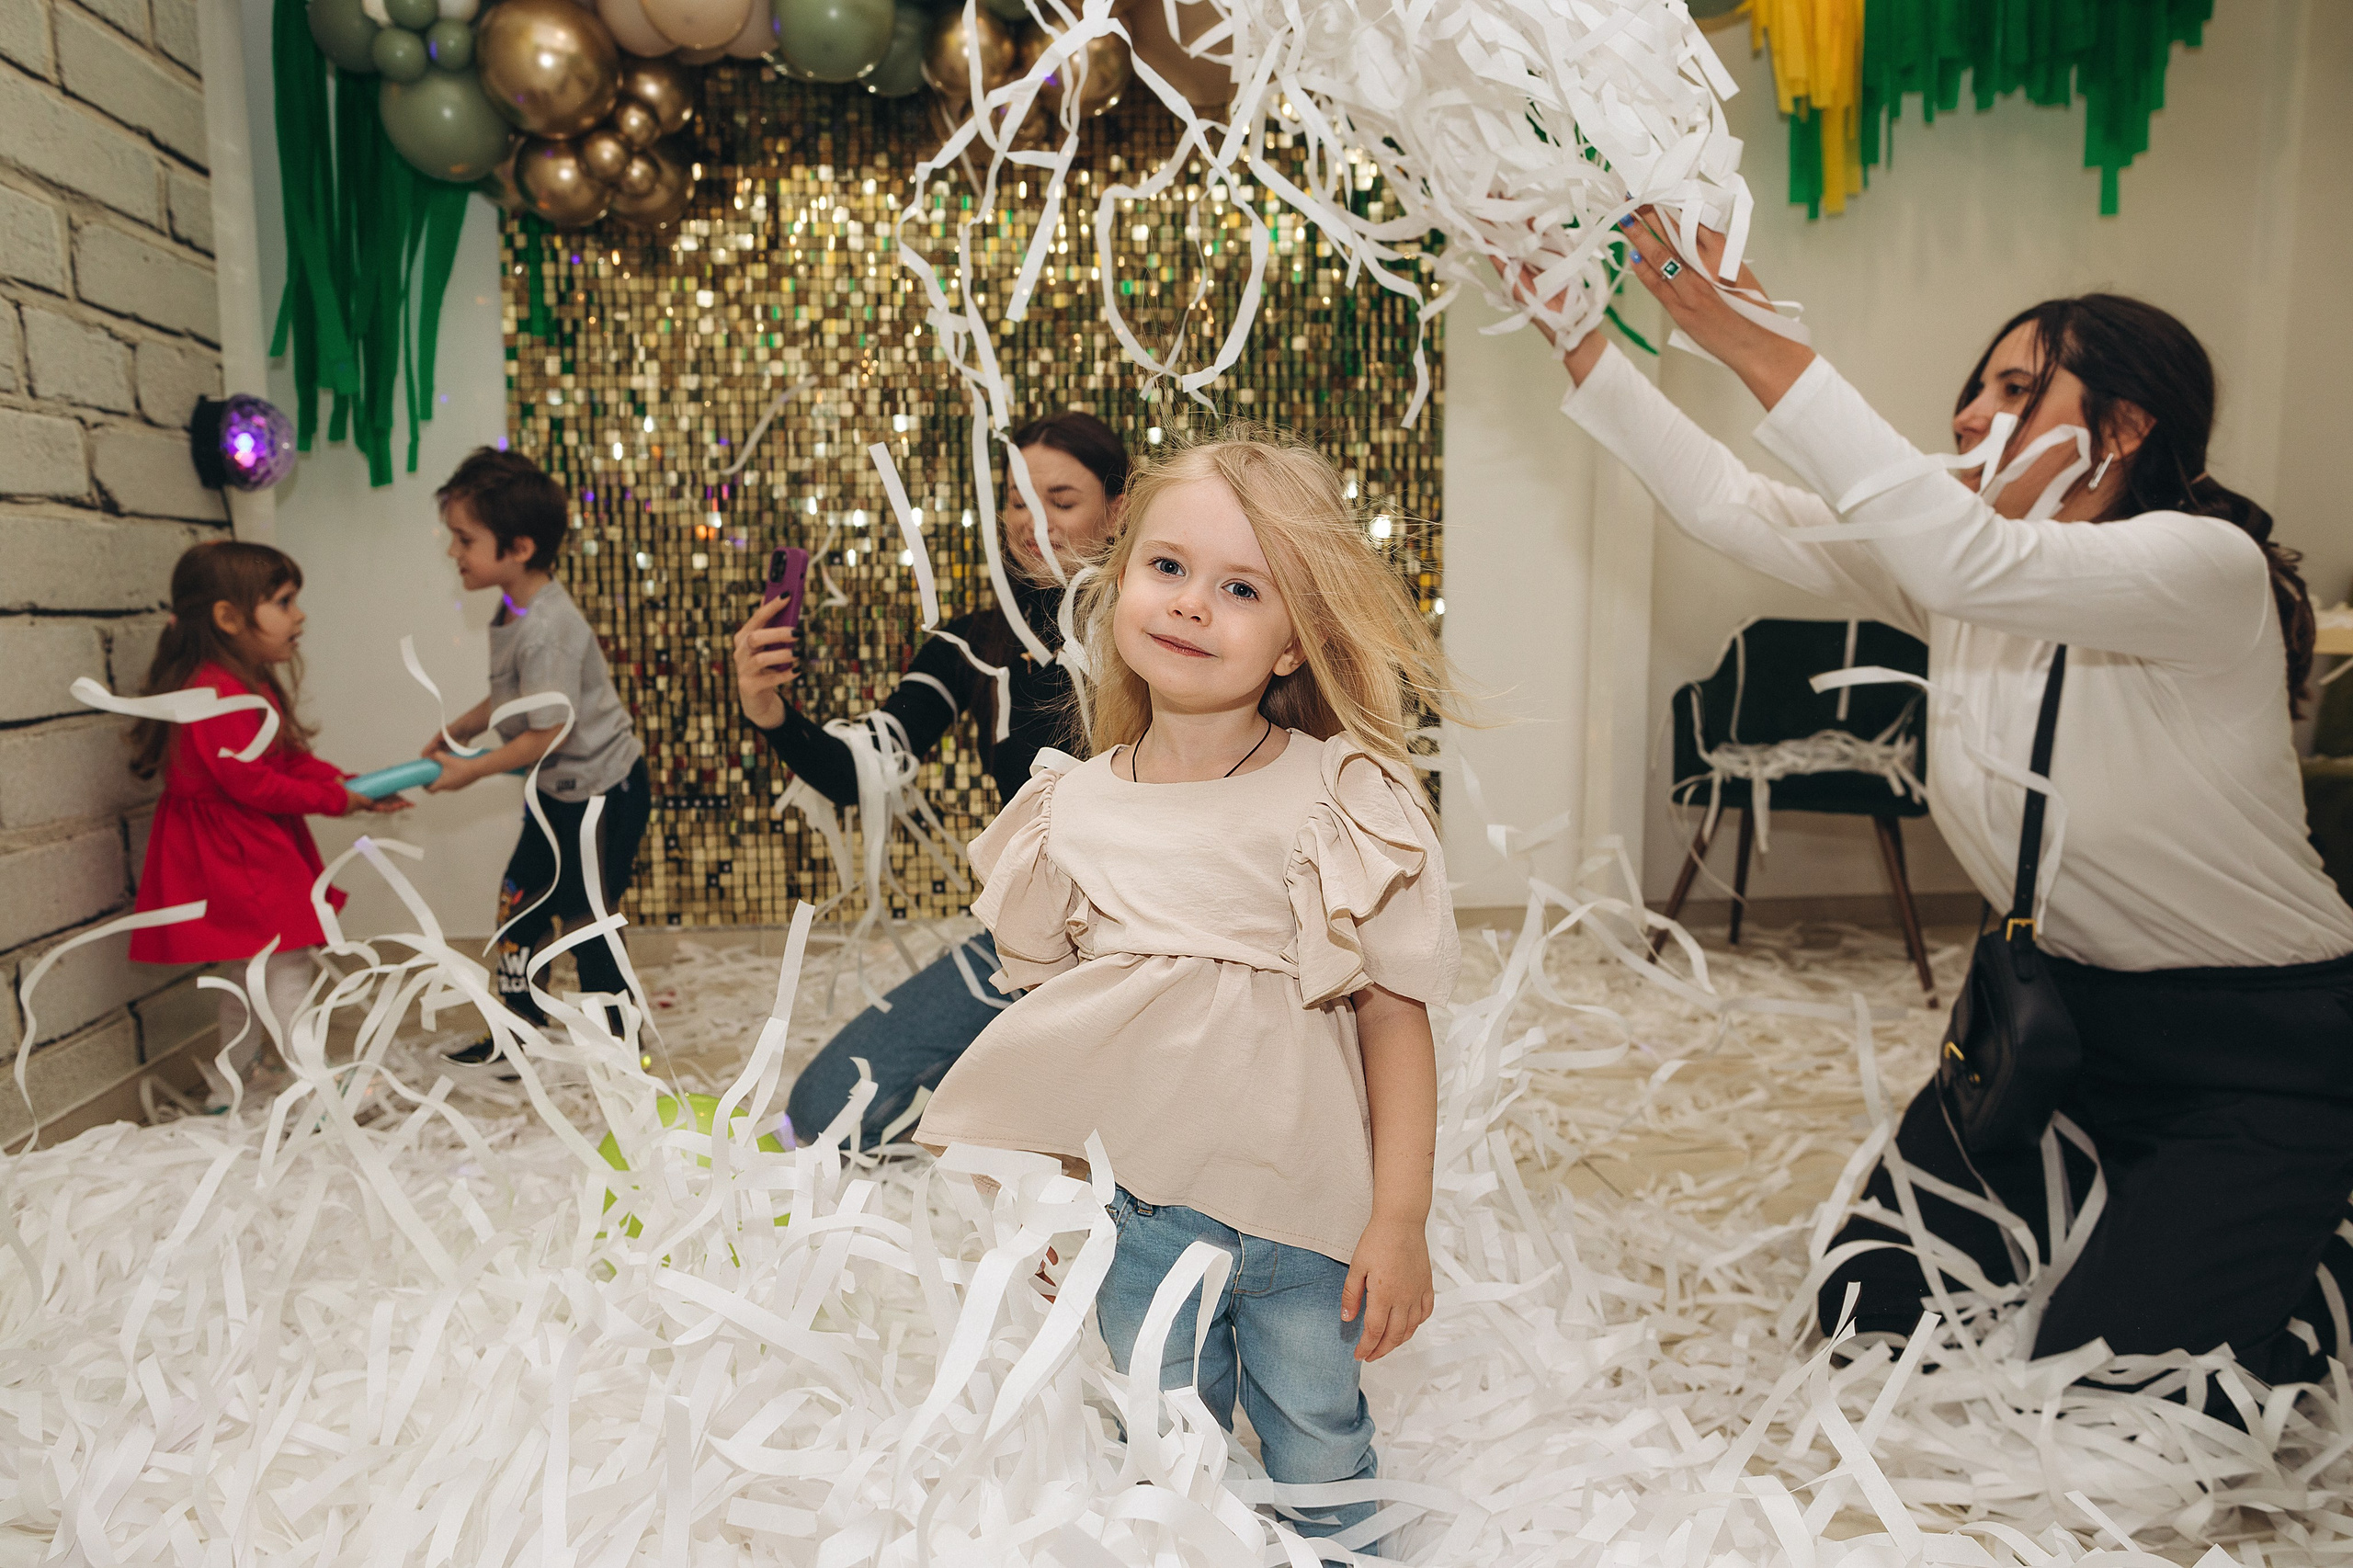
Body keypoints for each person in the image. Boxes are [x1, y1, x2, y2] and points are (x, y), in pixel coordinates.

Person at [1514, 217, 2353, 1389]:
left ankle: (2308, 1263)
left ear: (2121, 428)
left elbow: (1967, 561)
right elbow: (1732, 504)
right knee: (1872, 1314)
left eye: (2015, 387)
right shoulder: (1969, 569)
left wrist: (1750, 341)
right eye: (1975, 383)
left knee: (2121, 1407)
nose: (1966, 412)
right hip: (2052, 1033)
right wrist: (1574, 332)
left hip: (2252, 1051)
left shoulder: (2202, 567)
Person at [915, 429, 1461, 1551]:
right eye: (1167, 568)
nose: (1192, 605)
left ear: (1297, 640)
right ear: (1119, 582)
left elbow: (1394, 1021)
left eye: (1242, 587)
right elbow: (1063, 1034)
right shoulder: (1070, 809)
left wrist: (1399, 1217)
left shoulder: (1338, 798)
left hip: (1310, 1216)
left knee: (1318, 1435)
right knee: (1164, 1444)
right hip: (1142, 1217)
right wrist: (1062, 1194)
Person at [732, 411, 1131, 1146]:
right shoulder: (970, 645)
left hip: (1158, 947)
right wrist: (770, 713)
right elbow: (864, 771)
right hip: (1027, 945)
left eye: (1060, 500)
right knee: (823, 1113)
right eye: (1015, 501)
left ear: (1120, 508)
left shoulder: (1155, 625)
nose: (1030, 523)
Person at [127, 540, 407, 1102]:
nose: (298, 615)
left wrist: (347, 786)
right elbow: (252, 783)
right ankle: (314, 1084)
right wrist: (337, 800)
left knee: (246, 973)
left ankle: (237, 1083)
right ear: (228, 618)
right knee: (283, 966)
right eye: (283, 602)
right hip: (240, 852)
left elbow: (284, 757)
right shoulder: (214, 692)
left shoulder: (245, 678)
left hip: (245, 842)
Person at [424, 448, 651, 1057]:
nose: (454, 553)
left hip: (602, 795)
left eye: (464, 539)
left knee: (586, 921)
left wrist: (469, 771)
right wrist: (466, 728)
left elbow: (545, 731)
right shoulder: (517, 606)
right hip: (556, 792)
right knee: (519, 908)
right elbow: (515, 697)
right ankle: (516, 1035)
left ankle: (621, 1045)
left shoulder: (547, 627)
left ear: (519, 548)